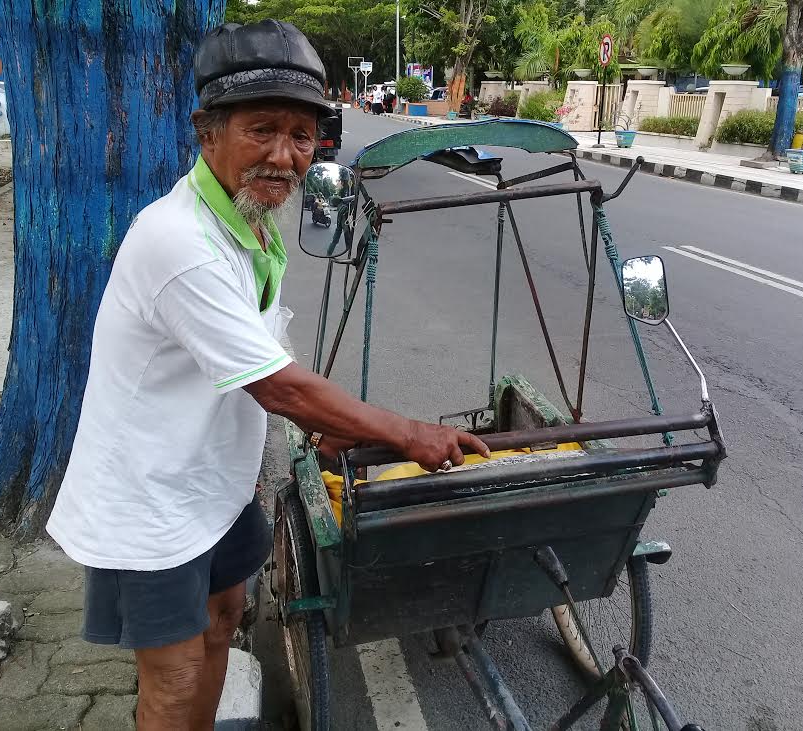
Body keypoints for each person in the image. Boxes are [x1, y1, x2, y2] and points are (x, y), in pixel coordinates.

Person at [45, 20, 488, 731]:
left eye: (303, 135)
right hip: (150, 502)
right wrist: (408, 433)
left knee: (224, 619)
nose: (284, 156)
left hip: (212, 484)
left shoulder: (249, 223)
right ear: (207, 131)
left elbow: (261, 359)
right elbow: (278, 385)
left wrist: (323, 426)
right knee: (175, 675)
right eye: (262, 130)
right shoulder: (180, 242)